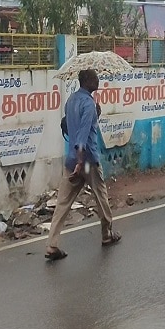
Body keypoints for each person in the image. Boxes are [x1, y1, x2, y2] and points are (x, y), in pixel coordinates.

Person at [45, 69, 121, 260]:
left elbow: (70, 126)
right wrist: (81, 162)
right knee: (101, 196)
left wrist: (97, 114)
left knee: (62, 203)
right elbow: (82, 135)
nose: (98, 80)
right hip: (86, 161)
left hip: (71, 160)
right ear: (87, 81)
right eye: (95, 77)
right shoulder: (87, 104)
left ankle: (52, 245)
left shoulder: (71, 101)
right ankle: (107, 234)